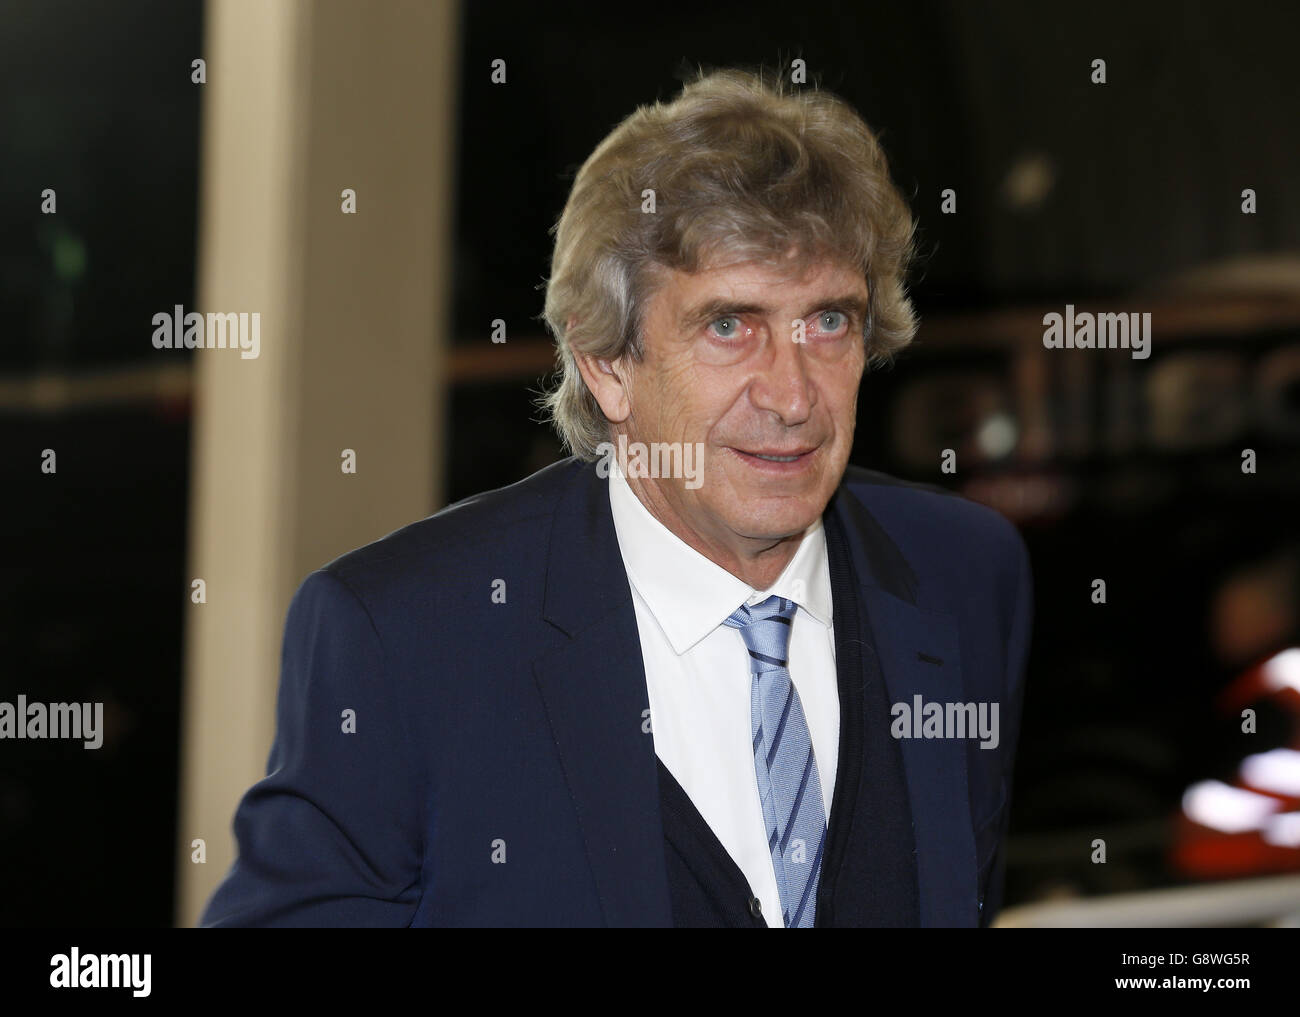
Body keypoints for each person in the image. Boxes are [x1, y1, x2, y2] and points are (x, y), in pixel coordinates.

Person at [200, 67, 1032, 928]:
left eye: (829, 322)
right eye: (728, 325)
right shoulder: (404, 639)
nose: (792, 395)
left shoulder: (964, 577)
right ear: (607, 364)